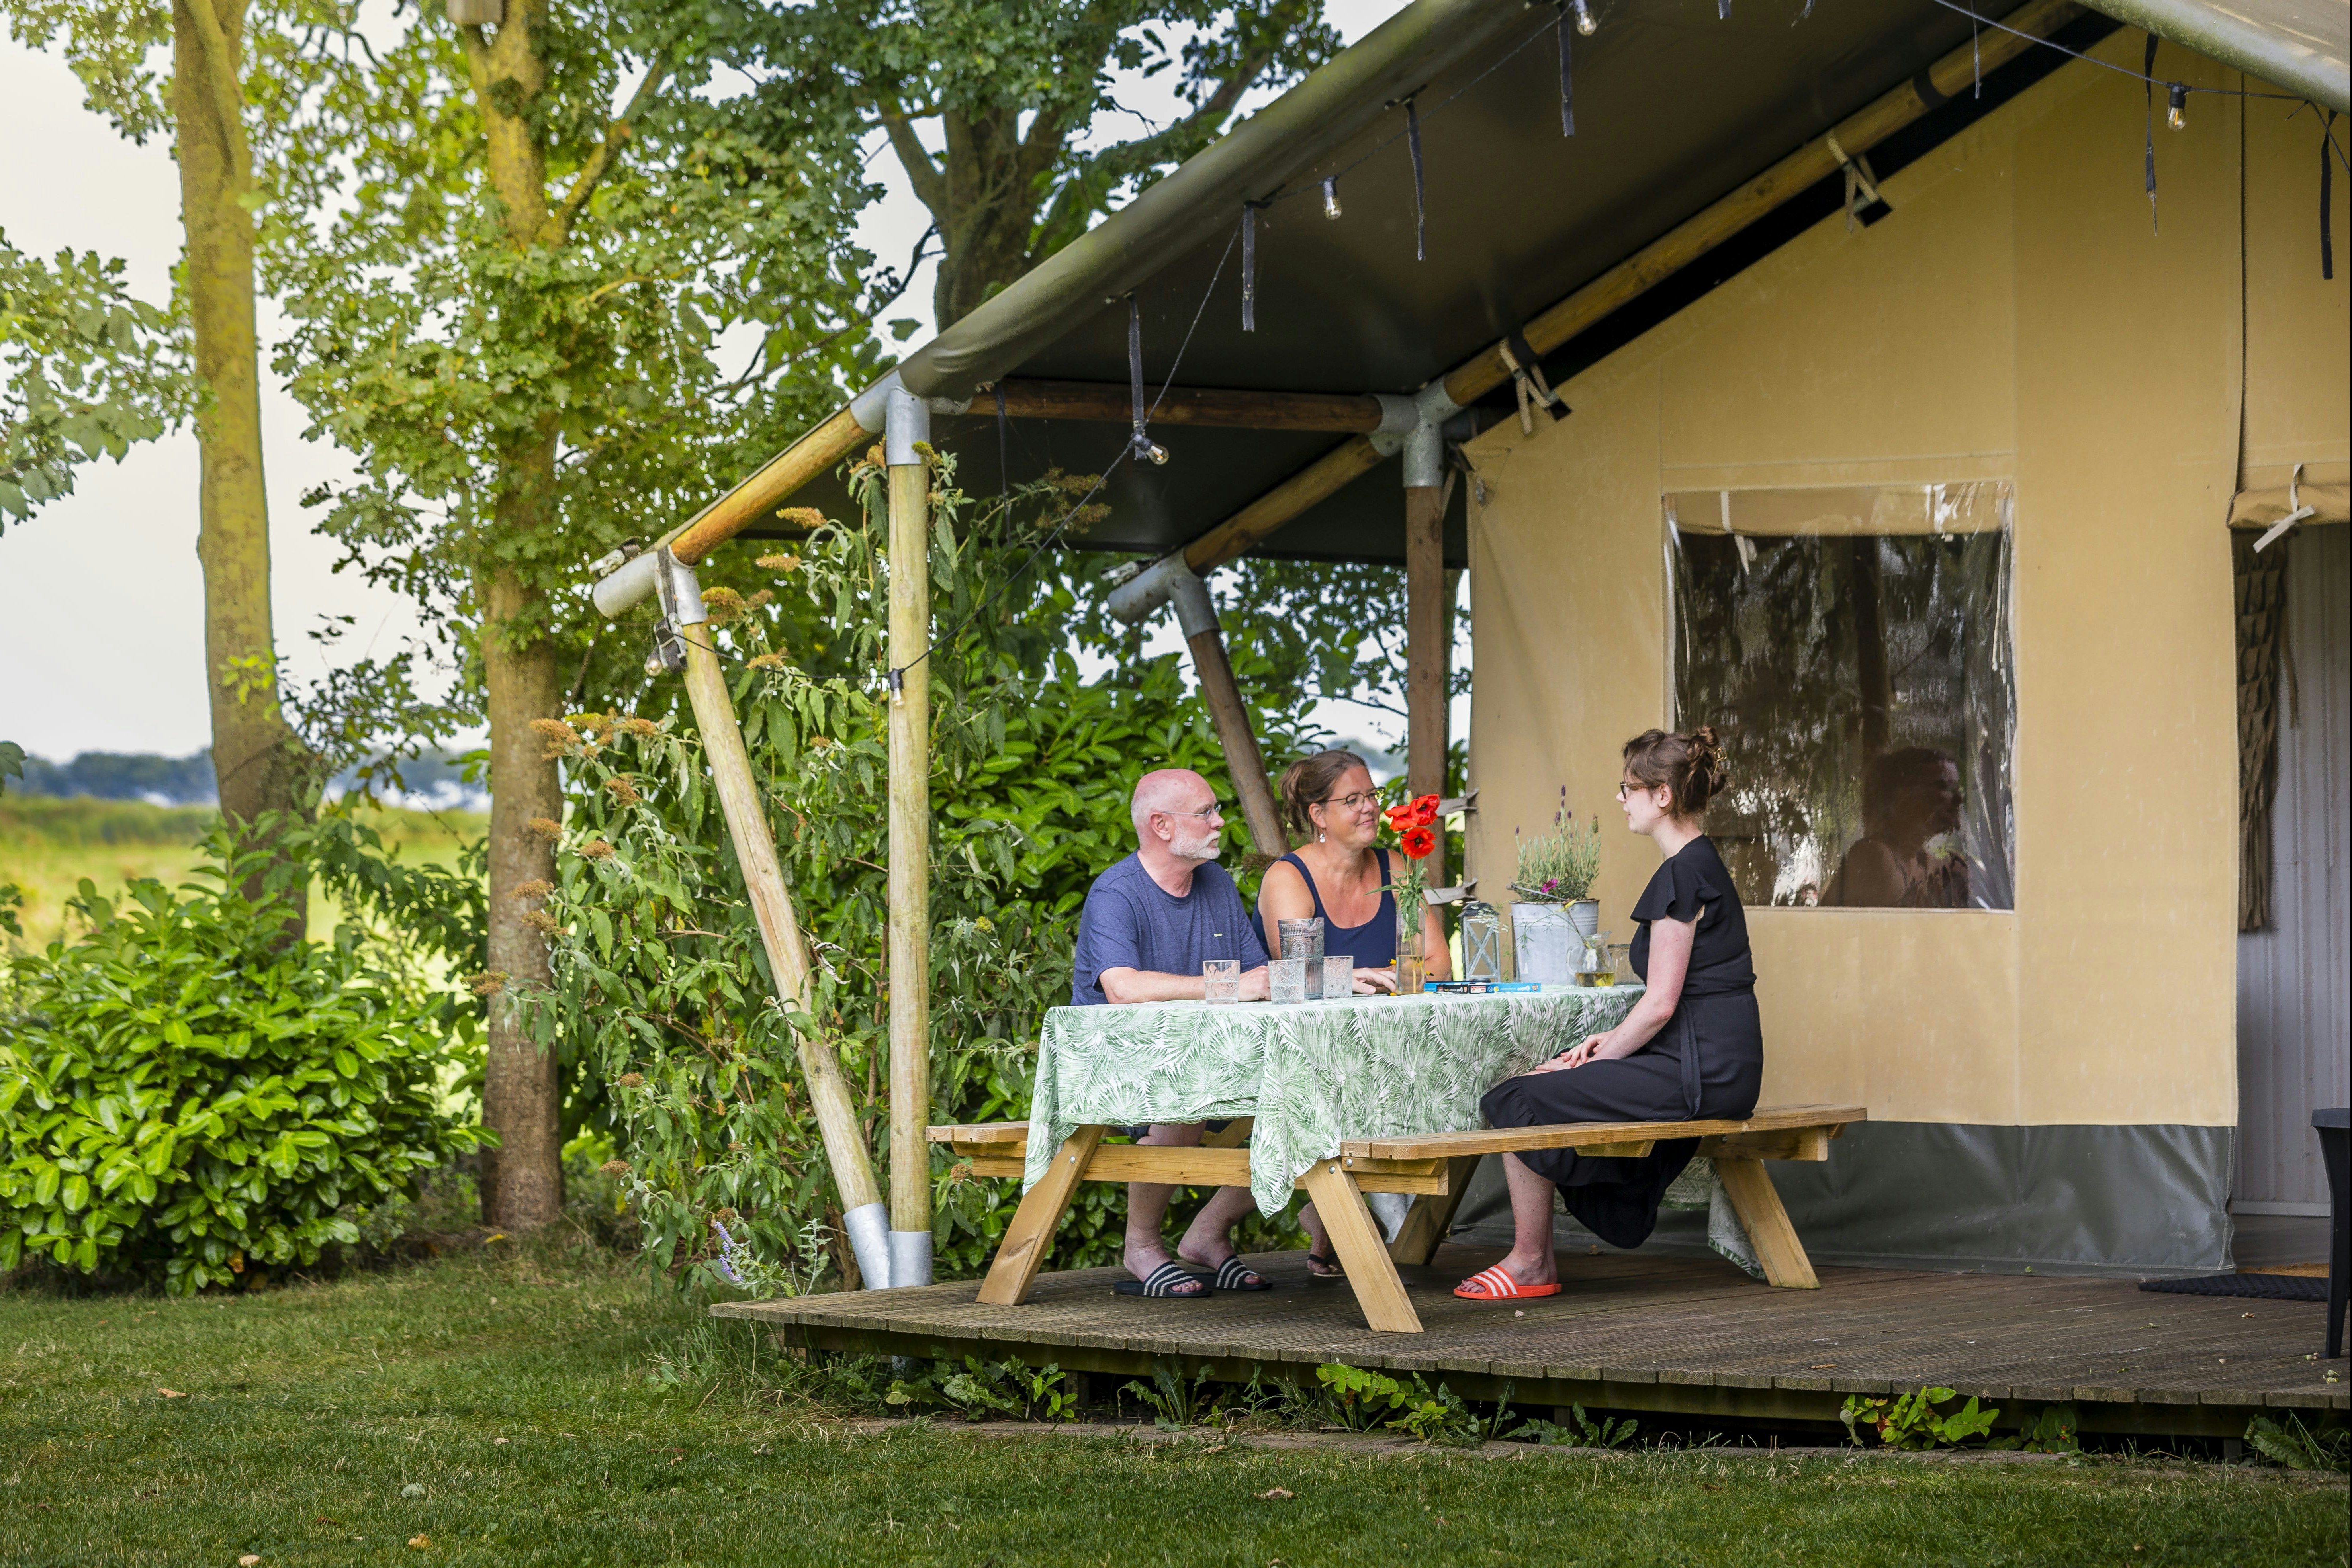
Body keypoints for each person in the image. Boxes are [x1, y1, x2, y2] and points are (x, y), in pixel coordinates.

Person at [1454, 726, 1763, 1302]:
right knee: (1540, 1085)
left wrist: (1599, 1054)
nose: (1620, 799)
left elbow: (1662, 1002)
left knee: (1516, 1097)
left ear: (1662, 796)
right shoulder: (1700, 865)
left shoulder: (1681, 876)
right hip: (1719, 1063)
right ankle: (1541, 1253)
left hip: (1702, 1069)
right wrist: (1604, 1040)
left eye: (1628, 789)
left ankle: (1529, 1262)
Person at [1070, 768, 1272, 1298]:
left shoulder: (1217, 881)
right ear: (1161, 825)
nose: (1219, 821)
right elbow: (1123, 988)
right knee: (1185, 1099)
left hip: (1214, 1055)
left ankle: (1205, 1233)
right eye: (1205, 812)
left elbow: (1258, 979)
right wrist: (1232, 987)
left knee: (1312, 1094)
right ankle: (1140, 1244)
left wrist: (1339, 978)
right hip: (1122, 1066)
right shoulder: (1115, 892)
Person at [1254, 750, 1454, 1280]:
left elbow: (1437, 961)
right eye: (1353, 799)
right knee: (1354, 1085)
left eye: (1371, 795)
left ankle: (1350, 1226)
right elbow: (1295, 975)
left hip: (1383, 1040)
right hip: (1292, 1056)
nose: (1369, 808)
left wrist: (1375, 982)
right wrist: (1373, 978)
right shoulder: (1288, 877)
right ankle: (1368, 1227)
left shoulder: (1395, 866)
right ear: (1319, 815)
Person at [1822, 746, 1971, 908]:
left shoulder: (1924, 859)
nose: (1959, 799)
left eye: (1957, 788)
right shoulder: (1875, 857)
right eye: (1943, 787)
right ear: (1905, 796)